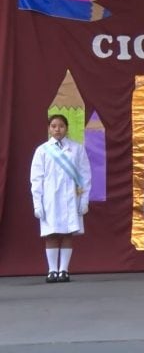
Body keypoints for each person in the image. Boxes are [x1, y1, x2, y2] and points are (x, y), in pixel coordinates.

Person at [30, 114, 92, 283]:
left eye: (61, 126)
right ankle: (52, 270)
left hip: (71, 197)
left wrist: (84, 200)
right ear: (49, 128)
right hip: (50, 198)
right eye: (54, 126)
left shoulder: (77, 149)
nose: (57, 129)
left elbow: (85, 175)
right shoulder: (42, 150)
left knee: (67, 232)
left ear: (67, 128)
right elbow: (36, 178)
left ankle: (64, 269)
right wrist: (37, 203)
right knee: (51, 233)